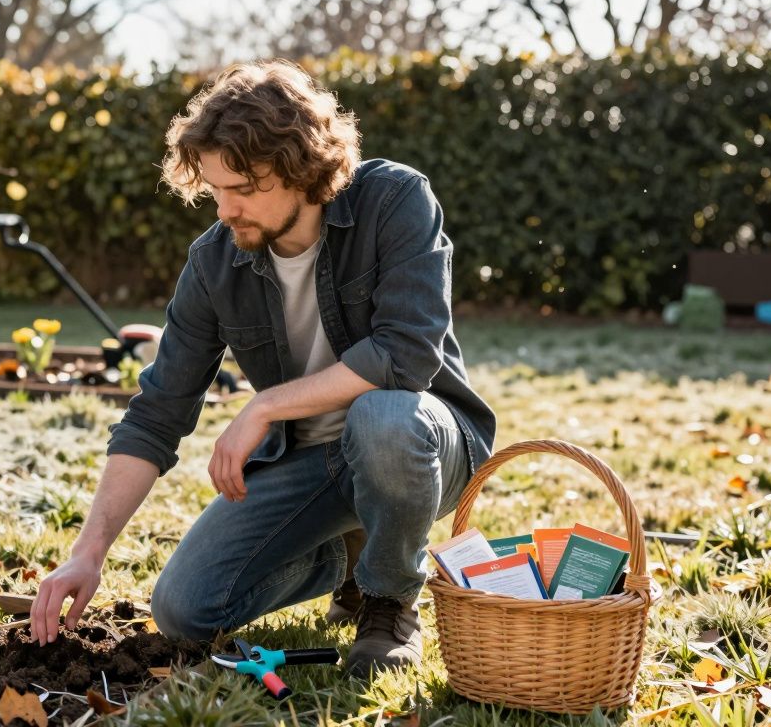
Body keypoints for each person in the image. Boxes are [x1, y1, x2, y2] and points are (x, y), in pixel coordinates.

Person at [29, 59, 496, 677]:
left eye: (244, 189)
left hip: (424, 443)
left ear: (304, 168)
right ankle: (344, 557)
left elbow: (405, 353)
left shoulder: (394, 199)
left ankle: (387, 605)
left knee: (382, 418)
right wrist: (87, 552)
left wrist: (266, 403)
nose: (225, 209)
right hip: (314, 463)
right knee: (183, 609)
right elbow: (157, 412)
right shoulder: (214, 264)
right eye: (216, 188)